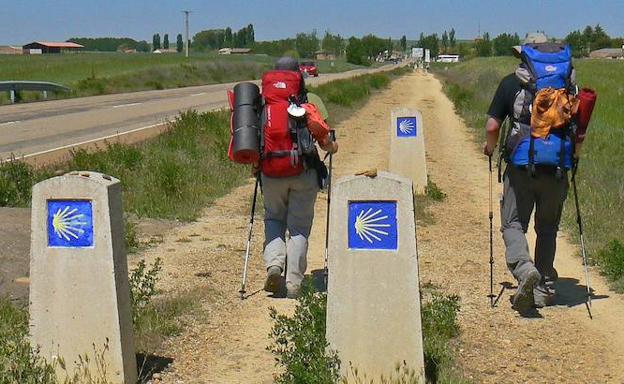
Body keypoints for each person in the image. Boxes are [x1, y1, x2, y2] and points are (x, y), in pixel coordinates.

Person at [483, 33, 575, 313]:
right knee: (547, 228)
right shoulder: (567, 86)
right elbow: (578, 126)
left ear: (523, 55)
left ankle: (524, 269)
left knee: (512, 223)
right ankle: (544, 286)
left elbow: (491, 127)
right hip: (558, 165)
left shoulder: (512, 83)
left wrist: (490, 148)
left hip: (521, 166)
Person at [261, 57, 338, 298]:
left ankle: (274, 265)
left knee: (274, 219)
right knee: (298, 228)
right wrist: (333, 147)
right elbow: (325, 141)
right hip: (303, 173)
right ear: (299, 76)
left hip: (271, 173)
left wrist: (257, 168)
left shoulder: (265, 101)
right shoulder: (310, 101)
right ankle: (294, 284)